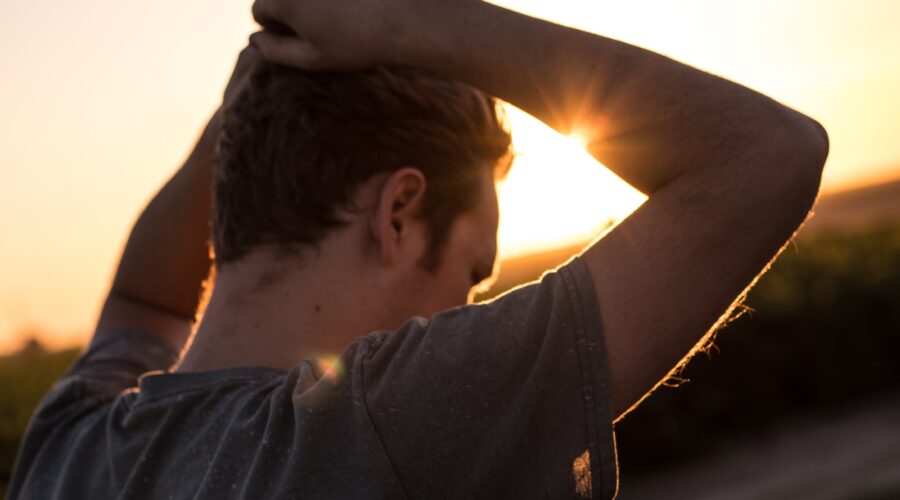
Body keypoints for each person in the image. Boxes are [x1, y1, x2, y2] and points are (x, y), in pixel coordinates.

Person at [9, 0, 829, 498]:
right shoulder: (381, 431)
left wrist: (251, 94)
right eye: (473, 275)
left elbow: (143, 303)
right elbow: (767, 156)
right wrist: (401, 21)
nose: (466, 311)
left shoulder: (72, 442)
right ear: (398, 213)